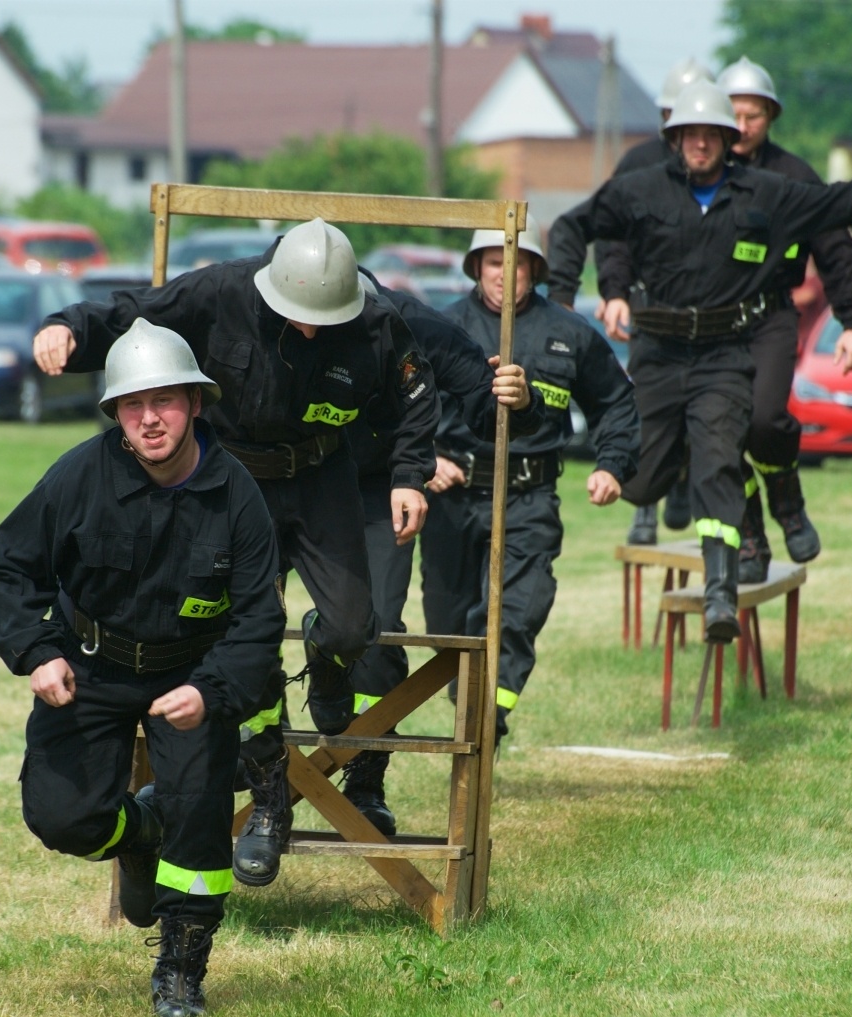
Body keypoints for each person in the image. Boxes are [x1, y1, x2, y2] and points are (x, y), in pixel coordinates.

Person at [30, 219, 511, 888]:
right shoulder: (220, 292)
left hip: (323, 480)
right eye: (298, 318)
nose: (311, 330)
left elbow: (416, 394)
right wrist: (69, 328)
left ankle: (325, 653)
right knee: (242, 637)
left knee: (353, 623)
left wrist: (408, 475)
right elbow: (136, 316)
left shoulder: (375, 321)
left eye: (325, 320)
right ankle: (269, 796)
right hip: (235, 481)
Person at [546, 80, 852, 642]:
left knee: (719, 459)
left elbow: (839, 201)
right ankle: (684, 467)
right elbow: (573, 226)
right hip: (659, 355)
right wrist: (564, 304)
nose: (699, 144)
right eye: (689, 135)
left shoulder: (766, 192)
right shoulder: (640, 189)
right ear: (675, 139)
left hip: (724, 354)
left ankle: (721, 594)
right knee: (640, 482)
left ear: (727, 138)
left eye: (710, 134)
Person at [0, 319, 285, 1017]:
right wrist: (36, 651)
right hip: (88, 665)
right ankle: (137, 833)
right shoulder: (77, 477)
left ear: (196, 404)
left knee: (200, 823)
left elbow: (257, 621)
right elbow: (7, 568)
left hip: (191, 676)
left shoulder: (237, 495)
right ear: (115, 412)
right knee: (60, 816)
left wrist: (211, 692)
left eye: (166, 401)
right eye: (132, 404)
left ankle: (181, 969)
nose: (150, 418)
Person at [423, 217, 641, 742]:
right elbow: (396, 406)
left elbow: (616, 403)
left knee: (517, 613)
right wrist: (425, 459)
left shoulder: (570, 334)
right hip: (453, 500)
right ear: (477, 267)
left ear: (535, 270)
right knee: (451, 626)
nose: (505, 274)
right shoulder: (439, 329)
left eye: (516, 263)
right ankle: (469, 700)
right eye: (495, 263)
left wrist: (612, 464)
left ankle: (486, 720)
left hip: (529, 497)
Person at [341, 271, 538, 830]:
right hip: (282, 481)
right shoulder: (249, 305)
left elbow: (488, 406)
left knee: (375, 629)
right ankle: (258, 766)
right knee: (242, 620)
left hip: (382, 489)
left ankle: (364, 773)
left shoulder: (415, 325)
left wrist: (517, 402)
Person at [703, 55, 852, 582]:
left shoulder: (794, 176)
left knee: (763, 421)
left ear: (770, 118)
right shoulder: (692, 175)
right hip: (706, 329)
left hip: (769, 321)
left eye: (752, 115)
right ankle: (750, 540)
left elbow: (837, 248)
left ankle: (789, 501)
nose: (741, 126)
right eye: (732, 113)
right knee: (714, 436)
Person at [547, 56, 714, 543]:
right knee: (644, 404)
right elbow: (610, 235)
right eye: (672, 117)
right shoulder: (639, 165)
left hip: (711, 318)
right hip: (651, 310)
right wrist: (614, 293)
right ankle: (643, 504)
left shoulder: (728, 171)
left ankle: (682, 476)